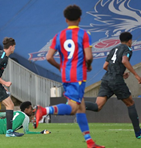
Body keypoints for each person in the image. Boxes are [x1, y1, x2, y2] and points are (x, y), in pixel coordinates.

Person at [34, 5, 105, 148]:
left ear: (66, 19)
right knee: (73, 108)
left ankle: (89, 141)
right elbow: (89, 56)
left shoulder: (59, 35)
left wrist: (61, 67)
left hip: (66, 75)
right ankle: (44, 110)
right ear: (80, 18)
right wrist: (88, 65)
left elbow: (48, 57)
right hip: (78, 75)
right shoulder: (84, 34)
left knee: (81, 108)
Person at [85, 32, 141, 139]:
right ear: (129, 41)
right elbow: (124, 60)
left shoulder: (113, 49)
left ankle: (76, 103)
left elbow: (105, 66)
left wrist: (120, 72)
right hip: (116, 81)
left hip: (106, 80)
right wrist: (136, 75)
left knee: (97, 106)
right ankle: (138, 132)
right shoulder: (128, 49)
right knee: (130, 104)